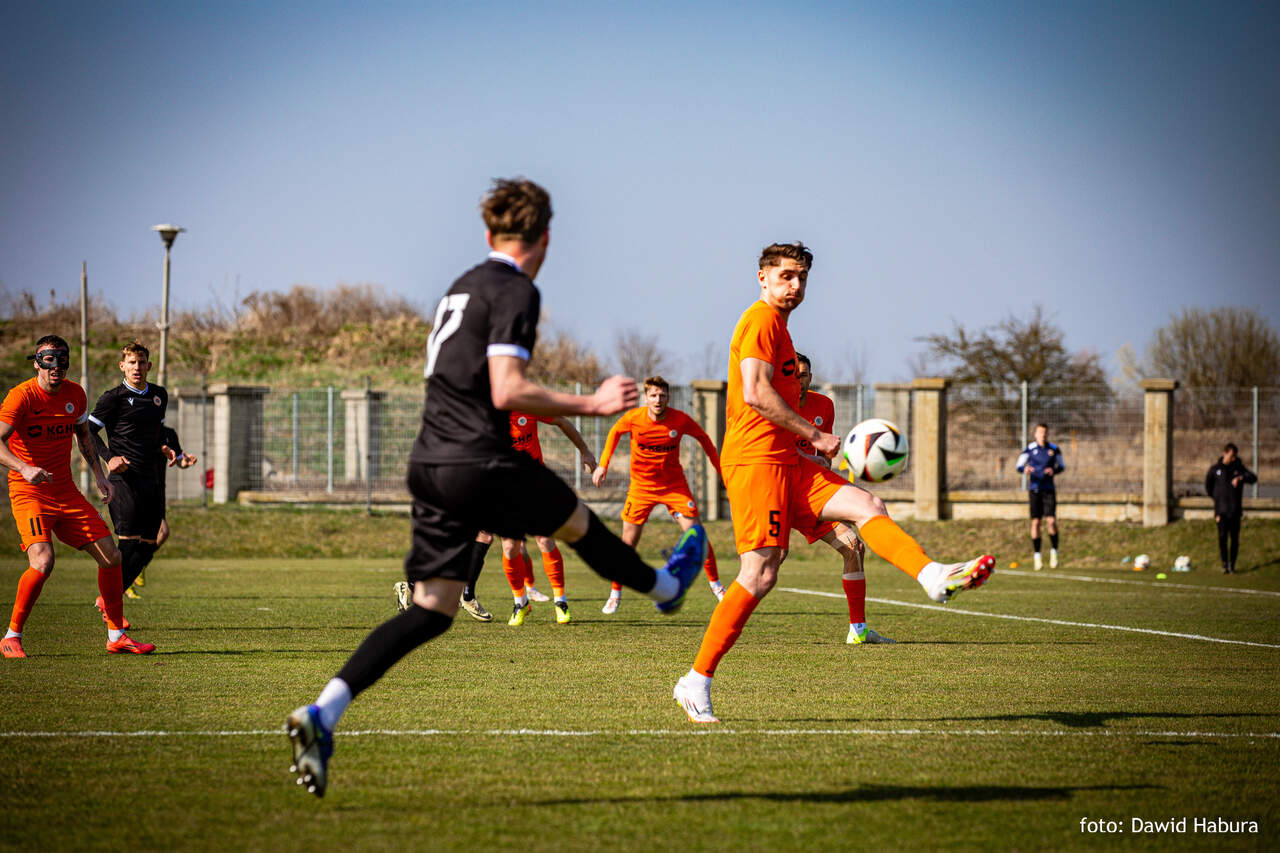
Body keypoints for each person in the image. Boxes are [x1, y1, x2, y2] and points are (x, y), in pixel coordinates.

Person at [287, 178, 706, 796]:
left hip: (430, 461)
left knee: (432, 609)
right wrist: (591, 403)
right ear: (546, 239)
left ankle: (322, 712)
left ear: (488, 233)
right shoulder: (516, 290)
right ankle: (666, 588)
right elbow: (507, 388)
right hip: (480, 458)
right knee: (577, 525)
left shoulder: (459, 287)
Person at [672, 242, 994, 724]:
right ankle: (695, 681)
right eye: (785, 276)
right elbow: (755, 393)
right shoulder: (760, 320)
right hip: (757, 461)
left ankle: (932, 576)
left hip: (789, 461)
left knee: (869, 506)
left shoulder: (781, 328)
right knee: (760, 574)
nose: (795, 286)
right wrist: (815, 434)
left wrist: (808, 441)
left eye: (801, 277)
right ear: (762, 277)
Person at [0, 335, 155, 658]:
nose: (56, 366)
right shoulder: (21, 397)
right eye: (48, 360)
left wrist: (100, 476)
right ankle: (12, 636)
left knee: (111, 556)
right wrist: (24, 467)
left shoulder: (75, 394)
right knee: (43, 561)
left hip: (66, 491)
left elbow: (84, 437)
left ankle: (116, 635)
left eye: (62, 360)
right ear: (37, 363)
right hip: (29, 492)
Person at [593, 375, 724, 614]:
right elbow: (614, 433)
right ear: (646, 397)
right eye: (653, 395)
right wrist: (603, 465)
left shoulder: (680, 420)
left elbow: (704, 439)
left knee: (698, 537)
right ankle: (615, 594)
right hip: (641, 489)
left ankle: (717, 587)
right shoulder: (633, 418)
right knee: (627, 545)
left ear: (668, 398)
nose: (658, 400)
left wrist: (721, 470)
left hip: (674, 487)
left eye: (662, 395)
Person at [792, 353, 892, 645]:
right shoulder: (775, 407)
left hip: (812, 494)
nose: (799, 381)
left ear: (811, 377)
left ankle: (858, 630)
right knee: (768, 563)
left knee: (853, 547)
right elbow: (773, 450)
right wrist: (809, 458)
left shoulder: (824, 405)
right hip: (779, 493)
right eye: (794, 375)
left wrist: (825, 461)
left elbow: (823, 451)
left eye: (804, 375)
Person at [88, 343, 197, 607]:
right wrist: (109, 458)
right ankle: (112, 606)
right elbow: (87, 432)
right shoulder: (113, 398)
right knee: (128, 544)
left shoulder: (159, 395)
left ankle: (108, 599)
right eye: (132, 362)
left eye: (141, 362)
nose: (137, 367)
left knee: (149, 544)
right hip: (124, 480)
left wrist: (167, 450)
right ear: (122, 366)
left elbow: (157, 433)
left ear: (148, 365)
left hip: (151, 480)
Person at [501, 411, 598, 625]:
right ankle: (520, 603)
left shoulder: (527, 405)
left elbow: (562, 420)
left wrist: (584, 451)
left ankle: (560, 601)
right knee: (510, 546)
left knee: (545, 540)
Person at [1015, 423, 1064, 570]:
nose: (1043, 435)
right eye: (1040, 432)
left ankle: (1054, 551)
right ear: (1035, 434)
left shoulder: (1054, 449)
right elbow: (1019, 466)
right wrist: (1025, 469)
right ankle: (1037, 556)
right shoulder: (1030, 449)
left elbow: (1061, 466)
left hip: (1049, 490)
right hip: (1034, 489)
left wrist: (1053, 471)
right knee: (1036, 522)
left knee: (1051, 521)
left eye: (1045, 432)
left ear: (1047, 434)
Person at [1205, 442, 1257, 574]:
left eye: (1235, 456)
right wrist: (1217, 504)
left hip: (1235, 511)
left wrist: (1240, 478)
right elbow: (1209, 487)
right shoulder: (1215, 469)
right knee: (1222, 537)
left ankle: (1232, 565)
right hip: (1221, 511)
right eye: (1231, 455)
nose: (1233, 458)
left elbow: (1253, 478)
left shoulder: (1239, 469)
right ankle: (1224, 564)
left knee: (1234, 539)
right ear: (1225, 453)